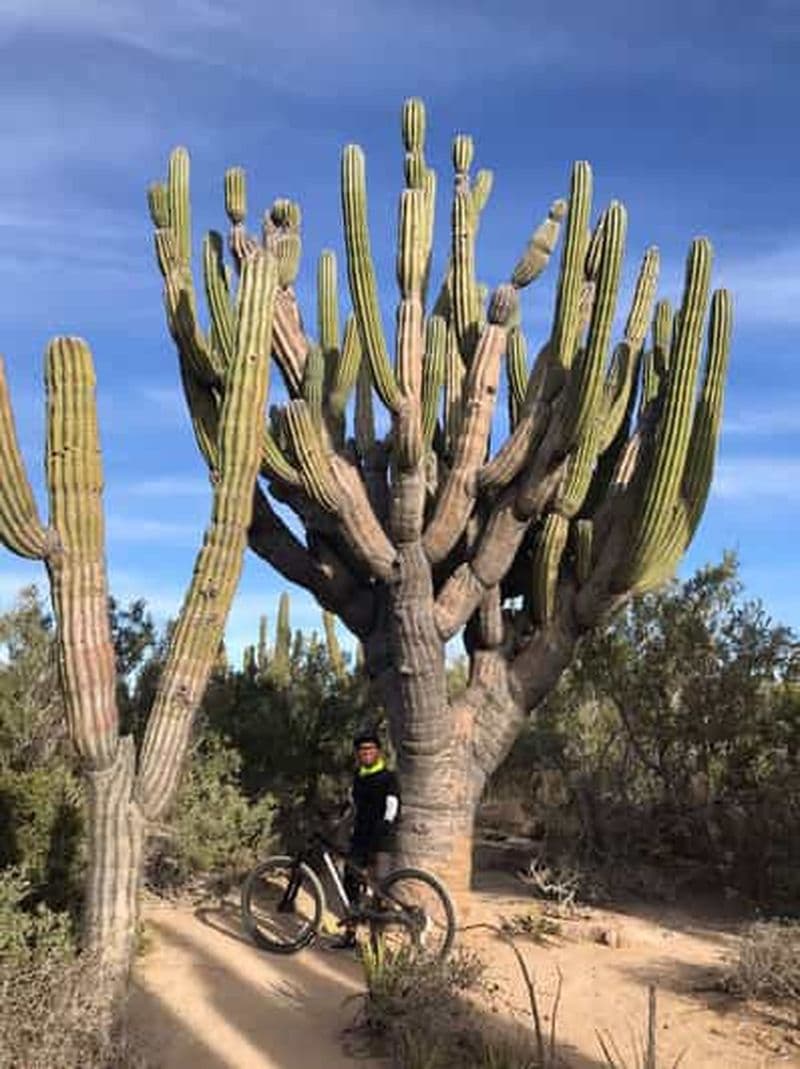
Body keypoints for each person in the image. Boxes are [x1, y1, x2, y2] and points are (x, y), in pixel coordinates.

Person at [331, 728, 401, 948]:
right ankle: (350, 935)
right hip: (359, 839)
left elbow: (392, 805)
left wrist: (385, 824)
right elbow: (352, 807)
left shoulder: (388, 777)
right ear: (358, 754)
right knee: (350, 883)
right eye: (362, 750)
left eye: (370, 749)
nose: (366, 753)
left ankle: (377, 942)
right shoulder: (358, 779)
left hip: (381, 840)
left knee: (380, 889)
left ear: (378, 752)